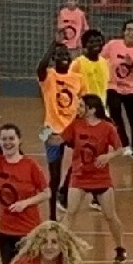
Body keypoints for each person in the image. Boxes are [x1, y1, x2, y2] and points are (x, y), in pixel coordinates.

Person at [61, 94, 128, 262]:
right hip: (79, 176)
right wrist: (46, 132)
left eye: (81, 106)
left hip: (101, 178)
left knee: (110, 216)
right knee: (70, 213)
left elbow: (120, 149)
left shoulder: (107, 127)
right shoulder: (76, 124)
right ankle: (60, 248)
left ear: (91, 109)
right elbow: (58, 139)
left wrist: (108, 156)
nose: (78, 109)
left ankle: (120, 247)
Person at [0, 124, 52, 264]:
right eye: (4, 139)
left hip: (28, 229)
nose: (8, 143)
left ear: (19, 140)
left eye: (11, 138)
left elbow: (46, 193)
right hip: (5, 230)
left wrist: (25, 203)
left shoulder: (30, 165)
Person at [36, 41, 86, 217]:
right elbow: (41, 67)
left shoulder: (78, 78)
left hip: (72, 128)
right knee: (54, 174)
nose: (64, 58)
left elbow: (84, 101)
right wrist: (53, 44)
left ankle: (64, 192)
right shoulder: (48, 76)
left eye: (66, 55)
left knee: (82, 157)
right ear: (54, 58)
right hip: (50, 130)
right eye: (59, 55)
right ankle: (52, 214)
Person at [101, 21, 133, 160]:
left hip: (131, 88)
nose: (131, 33)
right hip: (113, 86)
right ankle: (125, 144)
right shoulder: (113, 45)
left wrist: (131, 65)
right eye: (128, 29)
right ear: (123, 31)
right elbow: (100, 59)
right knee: (115, 116)